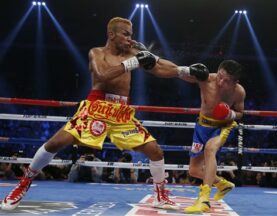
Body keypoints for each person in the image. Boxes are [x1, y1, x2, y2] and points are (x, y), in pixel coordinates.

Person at [1, 17, 208, 211]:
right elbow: (101, 75)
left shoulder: (134, 51)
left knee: (156, 152)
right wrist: (133, 62)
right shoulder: (97, 52)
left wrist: (184, 70)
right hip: (96, 107)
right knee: (55, 143)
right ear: (111, 34)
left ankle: (160, 195)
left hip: (121, 113)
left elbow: (160, 66)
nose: (130, 38)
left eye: (131, 34)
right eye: (126, 34)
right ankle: (23, 184)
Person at [181, 60, 246, 213]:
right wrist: (185, 69)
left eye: (227, 80)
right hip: (202, 126)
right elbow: (183, 76)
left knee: (210, 149)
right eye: (220, 76)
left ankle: (204, 200)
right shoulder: (207, 79)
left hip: (222, 126)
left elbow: (241, 113)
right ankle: (223, 184)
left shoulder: (239, 92)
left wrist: (229, 113)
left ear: (235, 82)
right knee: (194, 170)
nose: (221, 82)